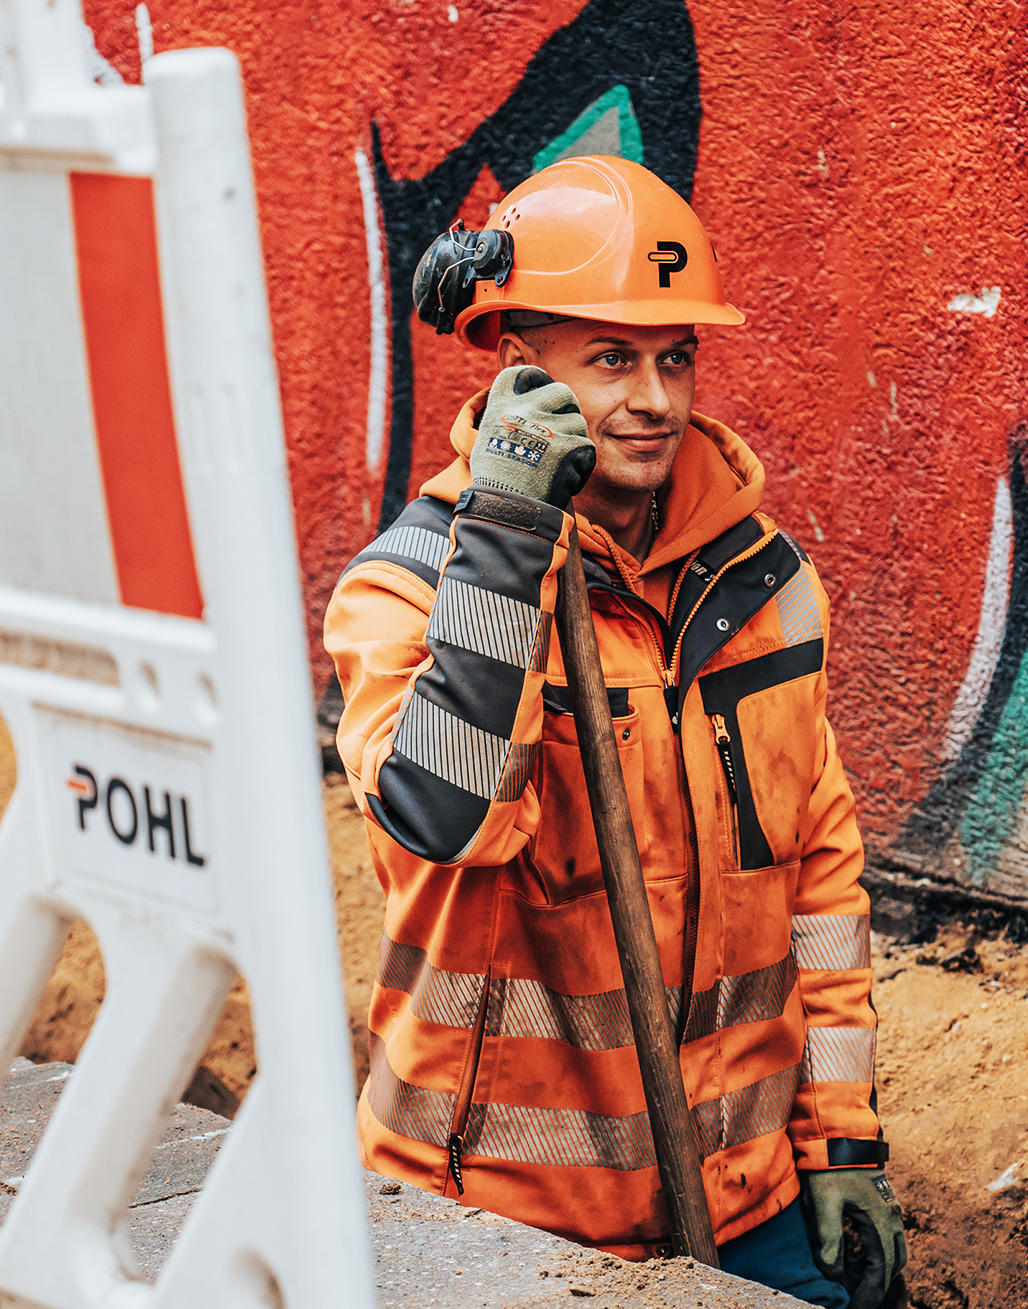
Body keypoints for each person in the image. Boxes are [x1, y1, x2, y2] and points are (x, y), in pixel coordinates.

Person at [324, 155, 907, 1308]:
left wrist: (841, 1143)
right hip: (485, 1218)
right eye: (610, 359)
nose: (653, 399)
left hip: (746, 1208)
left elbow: (818, 886)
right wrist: (505, 530)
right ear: (517, 369)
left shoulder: (764, 584)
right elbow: (444, 820)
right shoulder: (410, 585)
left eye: (673, 357)